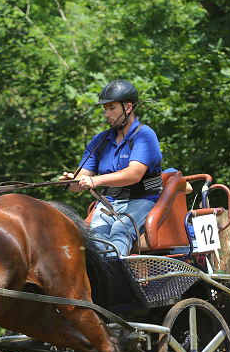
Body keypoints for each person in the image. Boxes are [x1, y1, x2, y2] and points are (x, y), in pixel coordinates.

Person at [62, 79, 163, 256]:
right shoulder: (99, 141)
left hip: (141, 200)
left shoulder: (144, 135)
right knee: (93, 242)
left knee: (120, 232)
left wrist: (95, 180)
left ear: (128, 107)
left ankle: (114, 280)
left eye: (111, 108)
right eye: (105, 109)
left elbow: (134, 174)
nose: (107, 114)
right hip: (109, 203)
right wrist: (72, 181)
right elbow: (79, 184)